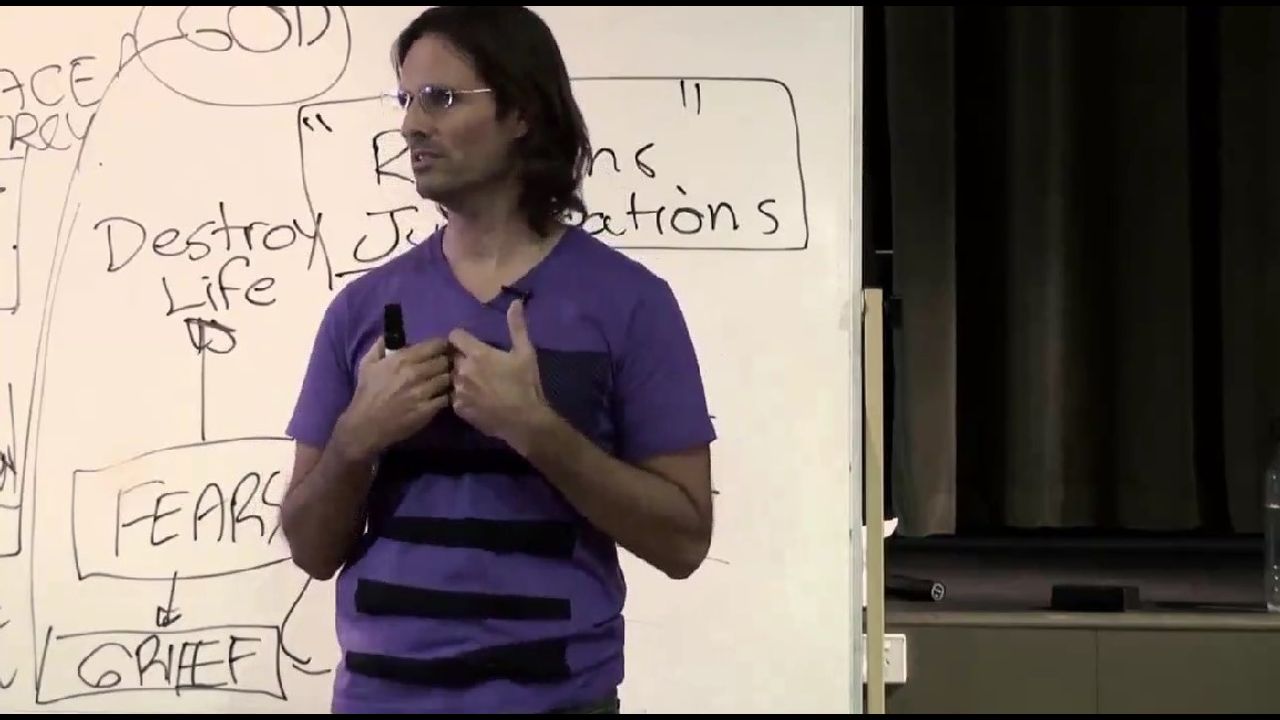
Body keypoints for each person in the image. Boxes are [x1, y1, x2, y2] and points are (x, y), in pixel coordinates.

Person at [279, 5, 717, 714]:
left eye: (441, 98)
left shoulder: (630, 303)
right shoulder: (362, 309)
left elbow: (685, 541)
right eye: (405, 100)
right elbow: (310, 549)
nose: (410, 125)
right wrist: (357, 439)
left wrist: (536, 429)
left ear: (520, 112)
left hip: (560, 701)